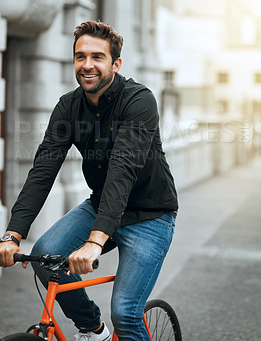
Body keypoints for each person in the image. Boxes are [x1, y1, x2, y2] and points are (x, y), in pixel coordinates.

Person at [0, 20, 178, 341]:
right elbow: (43, 171)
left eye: (97, 57)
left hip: (149, 215)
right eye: (80, 57)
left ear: (115, 63)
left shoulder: (139, 101)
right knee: (46, 256)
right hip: (100, 206)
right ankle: (93, 330)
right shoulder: (68, 106)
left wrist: (95, 242)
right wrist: (13, 233)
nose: (87, 65)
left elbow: (122, 171)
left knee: (125, 312)